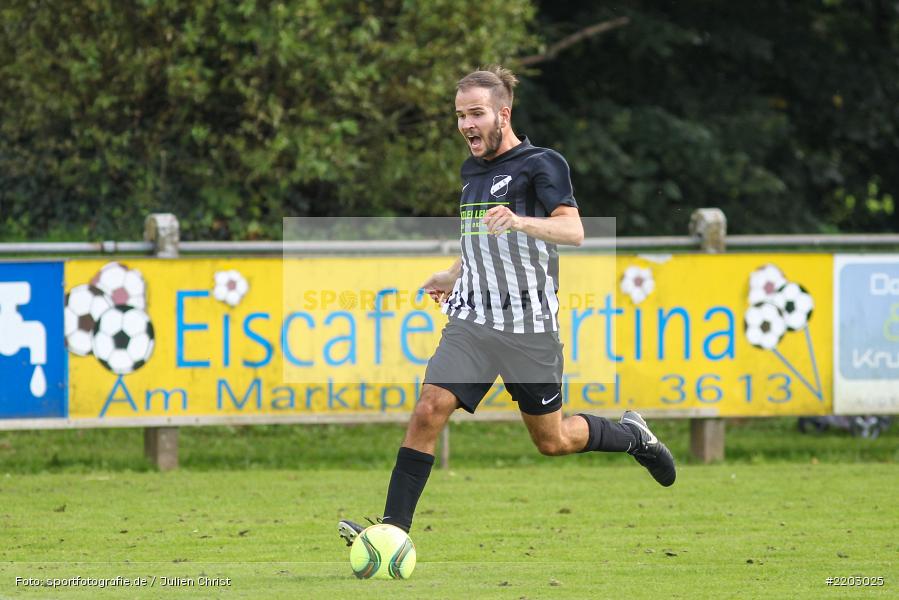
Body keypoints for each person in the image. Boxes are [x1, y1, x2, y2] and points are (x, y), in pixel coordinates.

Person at [338, 66, 675, 546]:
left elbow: (573, 231)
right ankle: (392, 531)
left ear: (503, 113)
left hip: (528, 328)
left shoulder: (543, 163)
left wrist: (520, 221)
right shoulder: (470, 171)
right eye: (459, 116)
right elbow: (483, 236)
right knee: (429, 408)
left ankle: (633, 436)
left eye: (475, 114)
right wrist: (454, 273)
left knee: (552, 440)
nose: (466, 125)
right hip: (472, 320)